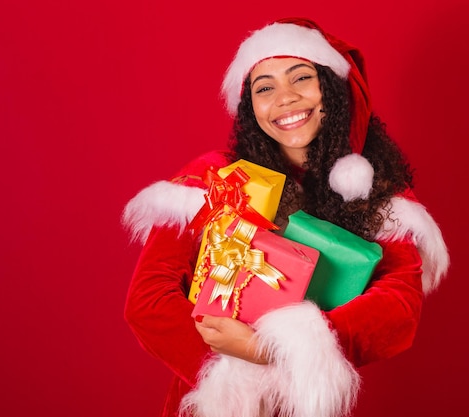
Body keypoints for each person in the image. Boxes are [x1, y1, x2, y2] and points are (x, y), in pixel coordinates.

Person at [122, 17, 449, 417]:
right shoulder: (216, 179)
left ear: (330, 88)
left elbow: (399, 303)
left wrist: (275, 350)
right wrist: (232, 370)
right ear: (250, 107)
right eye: (265, 88)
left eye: (301, 78)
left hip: (307, 402)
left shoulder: (375, 191)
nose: (285, 98)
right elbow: (148, 300)